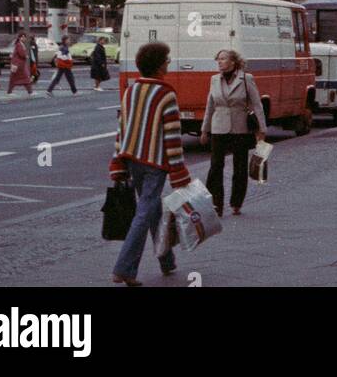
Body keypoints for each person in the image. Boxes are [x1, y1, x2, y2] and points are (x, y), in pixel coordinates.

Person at [109, 40, 190, 286]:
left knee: (153, 210)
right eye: (166, 60)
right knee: (145, 212)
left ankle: (167, 261)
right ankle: (124, 269)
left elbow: (122, 128)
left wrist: (118, 159)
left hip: (132, 159)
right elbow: (173, 136)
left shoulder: (131, 90)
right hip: (156, 163)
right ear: (158, 65)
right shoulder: (166, 94)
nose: (168, 63)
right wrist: (179, 172)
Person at [199, 49, 267, 216]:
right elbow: (210, 106)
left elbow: (257, 104)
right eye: (218, 59)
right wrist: (204, 130)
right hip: (218, 127)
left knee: (240, 167)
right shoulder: (214, 79)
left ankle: (236, 203)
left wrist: (262, 129)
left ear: (233, 62)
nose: (219, 62)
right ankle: (216, 204)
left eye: (223, 59)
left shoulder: (246, 79)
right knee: (215, 166)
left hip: (240, 127)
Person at [6, 31, 33, 95]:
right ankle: (30, 92)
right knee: (25, 78)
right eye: (23, 37)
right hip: (19, 66)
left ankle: (10, 92)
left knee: (14, 79)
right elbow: (22, 54)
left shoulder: (19, 44)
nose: (24, 38)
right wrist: (26, 56)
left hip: (17, 65)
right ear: (20, 37)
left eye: (24, 37)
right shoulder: (19, 45)